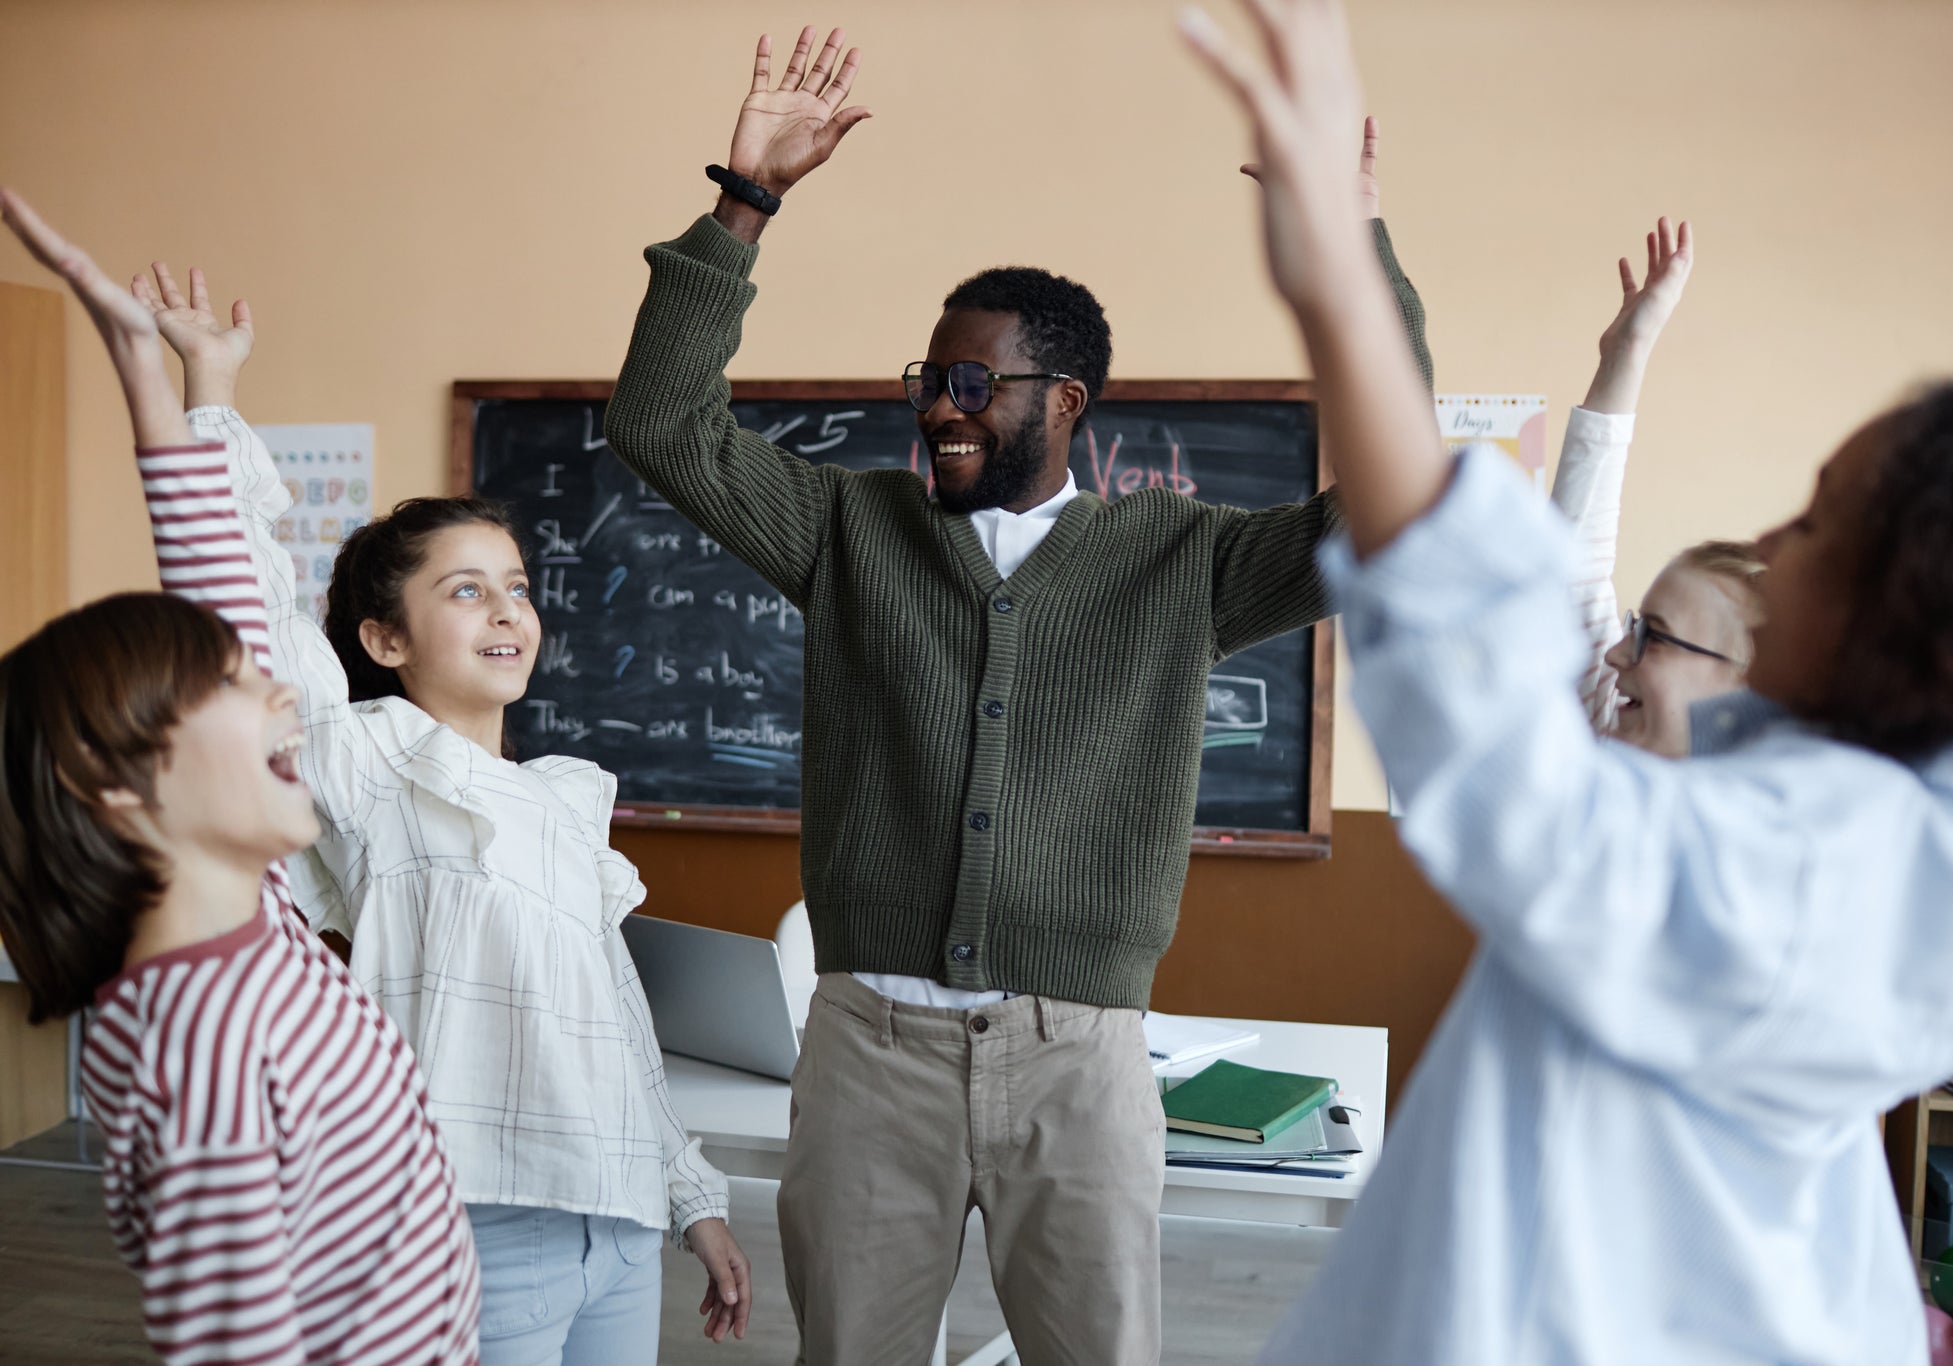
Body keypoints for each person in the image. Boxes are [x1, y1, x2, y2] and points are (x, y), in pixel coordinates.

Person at [1181, 2, 1953, 1362]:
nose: (1769, 541)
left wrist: (1339, 288)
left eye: (1812, 527)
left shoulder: (1759, 883)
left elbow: (1485, 707)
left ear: (1906, 623)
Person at [601, 24, 1431, 1364]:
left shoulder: (1183, 559)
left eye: (977, 384)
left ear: (1070, 401)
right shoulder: (849, 529)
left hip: (1082, 1060)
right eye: (932, 381)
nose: (942, 408)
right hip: (869, 1053)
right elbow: (662, 427)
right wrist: (742, 203)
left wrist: (1350, 252)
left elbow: (1394, 510)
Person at [111, 257, 750, 1358]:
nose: (506, 611)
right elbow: (250, 603)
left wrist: (691, 1197)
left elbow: (613, 1025)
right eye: (464, 591)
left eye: (515, 586)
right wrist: (209, 384)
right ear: (383, 640)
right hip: (467, 1225)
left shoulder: (561, 798)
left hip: (617, 1224)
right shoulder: (368, 762)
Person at [0, 187, 481, 1365]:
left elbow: (226, 595)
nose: (280, 690)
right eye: (232, 687)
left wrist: (155, 377)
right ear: (121, 787)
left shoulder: (243, 929)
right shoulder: (201, 1042)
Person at [1548, 215, 1767, 755]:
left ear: (1753, 687)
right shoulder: (1606, 735)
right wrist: (1628, 351)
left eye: (1655, 637)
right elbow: (1572, 565)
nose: (1616, 655)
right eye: (1635, 627)